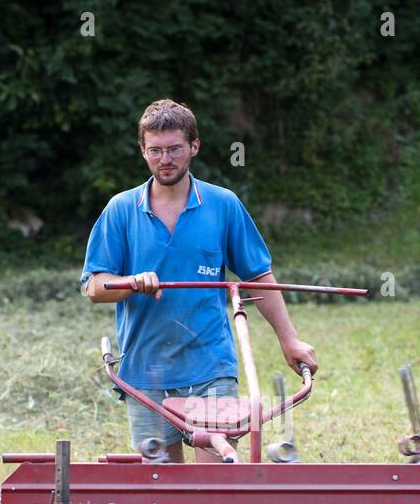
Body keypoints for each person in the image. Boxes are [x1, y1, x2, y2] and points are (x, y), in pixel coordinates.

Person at [81, 98, 317, 463]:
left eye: (175, 149)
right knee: (163, 493)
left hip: (210, 364)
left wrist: (289, 339)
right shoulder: (121, 210)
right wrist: (131, 282)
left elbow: (258, 277)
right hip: (146, 369)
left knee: (216, 481)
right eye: (155, 150)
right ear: (142, 151)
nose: (165, 160)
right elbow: (94, 286)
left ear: (194, 146)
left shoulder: (223, 205)